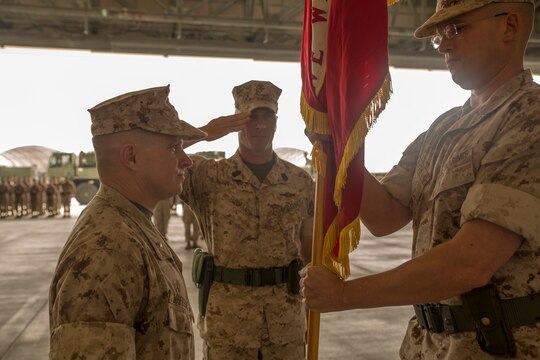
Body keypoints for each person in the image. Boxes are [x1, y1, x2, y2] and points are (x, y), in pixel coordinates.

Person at [300, 0, 540, 359]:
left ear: (509, 27)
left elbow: (472, 262)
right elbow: (386, 216)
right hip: (429, 343)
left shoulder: (530, 119)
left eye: (455, 29)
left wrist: (345, 295)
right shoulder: (444, 127)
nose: (443, 44)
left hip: (500, 346)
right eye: (438, 36)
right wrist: (338, 153)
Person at [49, 85, 208, 359]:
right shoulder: (106, 251)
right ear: (131, 157)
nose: (186, 160)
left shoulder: (130, 227)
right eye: (174, 148)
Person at [181, 80, 315, 359]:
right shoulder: (208, 177)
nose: (260, 125)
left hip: (285, 323)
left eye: (268, 116)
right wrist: (206, 132)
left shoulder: (299, 181)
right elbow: (153, 156)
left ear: (276, 123)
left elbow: (309, 246)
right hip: (228, 324)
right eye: (251, 116)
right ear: (236, 122)